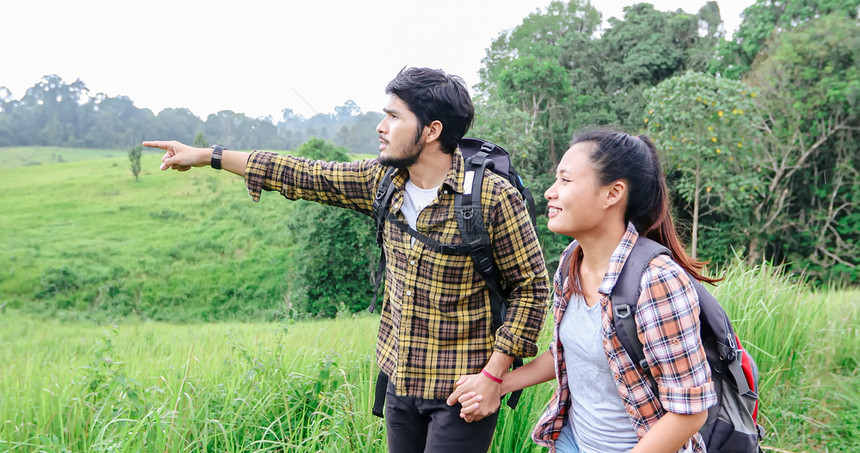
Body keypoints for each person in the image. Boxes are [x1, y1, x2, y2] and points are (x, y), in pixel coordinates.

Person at [144, 67, 549, 453]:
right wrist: (208, 156)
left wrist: (494, 376)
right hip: (399, 380)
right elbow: (301, 173)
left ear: (431, 131)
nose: (381, 126)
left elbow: (532, 288)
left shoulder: (491, 198)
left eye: (394, 116)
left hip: (462, 390)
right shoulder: (383, 181)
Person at [454, 129, 718, 453]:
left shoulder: (657, 281)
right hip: (571, 443)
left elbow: (689, 412)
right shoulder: (570, 260)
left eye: (565, 180)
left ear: (613, 193)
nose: (551, 192)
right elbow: (567, 353)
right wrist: (496, 384)